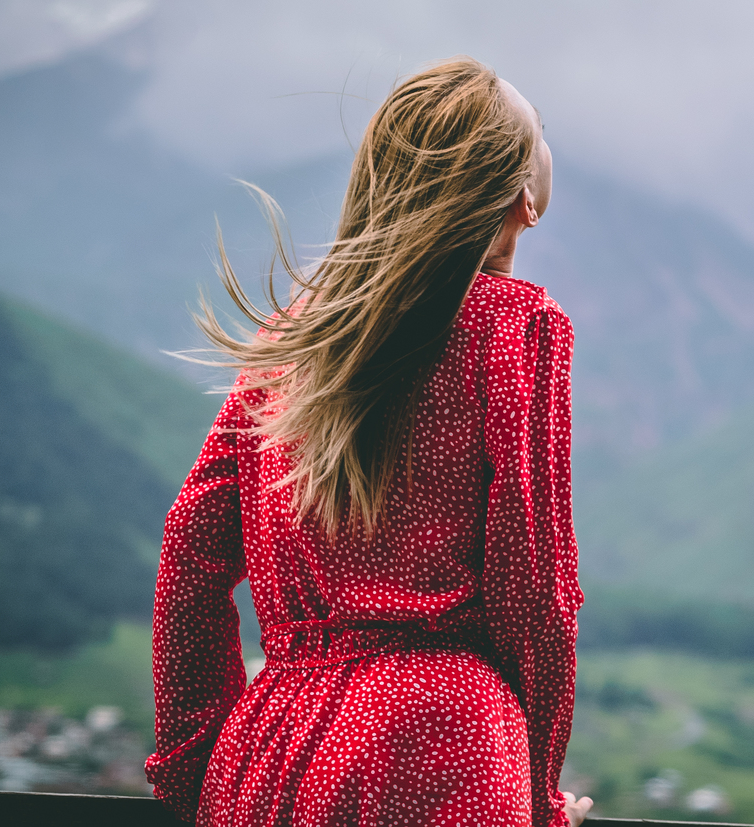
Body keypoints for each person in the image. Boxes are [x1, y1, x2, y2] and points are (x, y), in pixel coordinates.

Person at [144, 57, 593, 827]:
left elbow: (192, 544)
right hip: (446, 744)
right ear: (526, 198)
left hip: (271, 751)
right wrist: (540, 793)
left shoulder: (292, 339)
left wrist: (199, 763)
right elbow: (535, 587)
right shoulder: (516, 330)